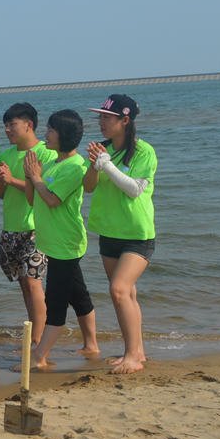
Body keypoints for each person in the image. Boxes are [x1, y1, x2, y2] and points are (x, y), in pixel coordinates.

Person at [85, 94, 157, 374]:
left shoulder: (143, 151)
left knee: (119, 290)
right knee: (127, 294)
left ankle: (131, 356)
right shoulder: (101, 149)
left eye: (107, 117)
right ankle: (136, 351)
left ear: (125, 120)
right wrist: (95, 165)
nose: (101, 122)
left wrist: (106, 164)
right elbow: (89, 186)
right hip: (109, 231)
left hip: (137, 233)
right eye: (100, 117)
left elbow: (135, 189)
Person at [24, 110, 99, 369]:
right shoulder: (53, 164)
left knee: (55, 302)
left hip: (66, 243)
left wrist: (36, 177)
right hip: (53, 242)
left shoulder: (75, 166)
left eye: (51, 130)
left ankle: (39, 357)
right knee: (78, 295)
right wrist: (29, 175)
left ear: (64, 135)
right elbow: (33, 200)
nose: (46, 134)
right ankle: (91, 344)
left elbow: (53, 200)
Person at [0, 103, 55, 347]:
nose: (7, 130)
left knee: (33, 282)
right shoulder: (6, 155)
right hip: (11, 227)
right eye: (5, 125)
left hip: (35, 228)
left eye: (12, 125)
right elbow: (0, 193)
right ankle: (33, 332)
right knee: (23, 284)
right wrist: (2, 179)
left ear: (29, 125)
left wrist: (12, 179)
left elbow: (45, 191)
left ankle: (39, 340)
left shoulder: (45, 152)